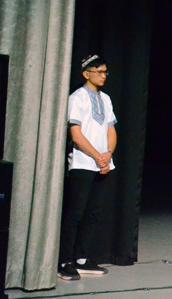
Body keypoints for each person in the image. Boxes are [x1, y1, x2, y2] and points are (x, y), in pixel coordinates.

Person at [58, 54, 117, 281]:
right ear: (86, 73)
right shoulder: (77, 98)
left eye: (105, 72)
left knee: (93, 213)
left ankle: (82, 258)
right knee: (75, 213)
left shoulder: (106, 99)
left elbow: (111, 130)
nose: (104, 76)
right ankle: (65, 261)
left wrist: (107, 154)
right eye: (99, 72)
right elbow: (76, 134)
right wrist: (96, 157)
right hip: (83, 163)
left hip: (102, 164)